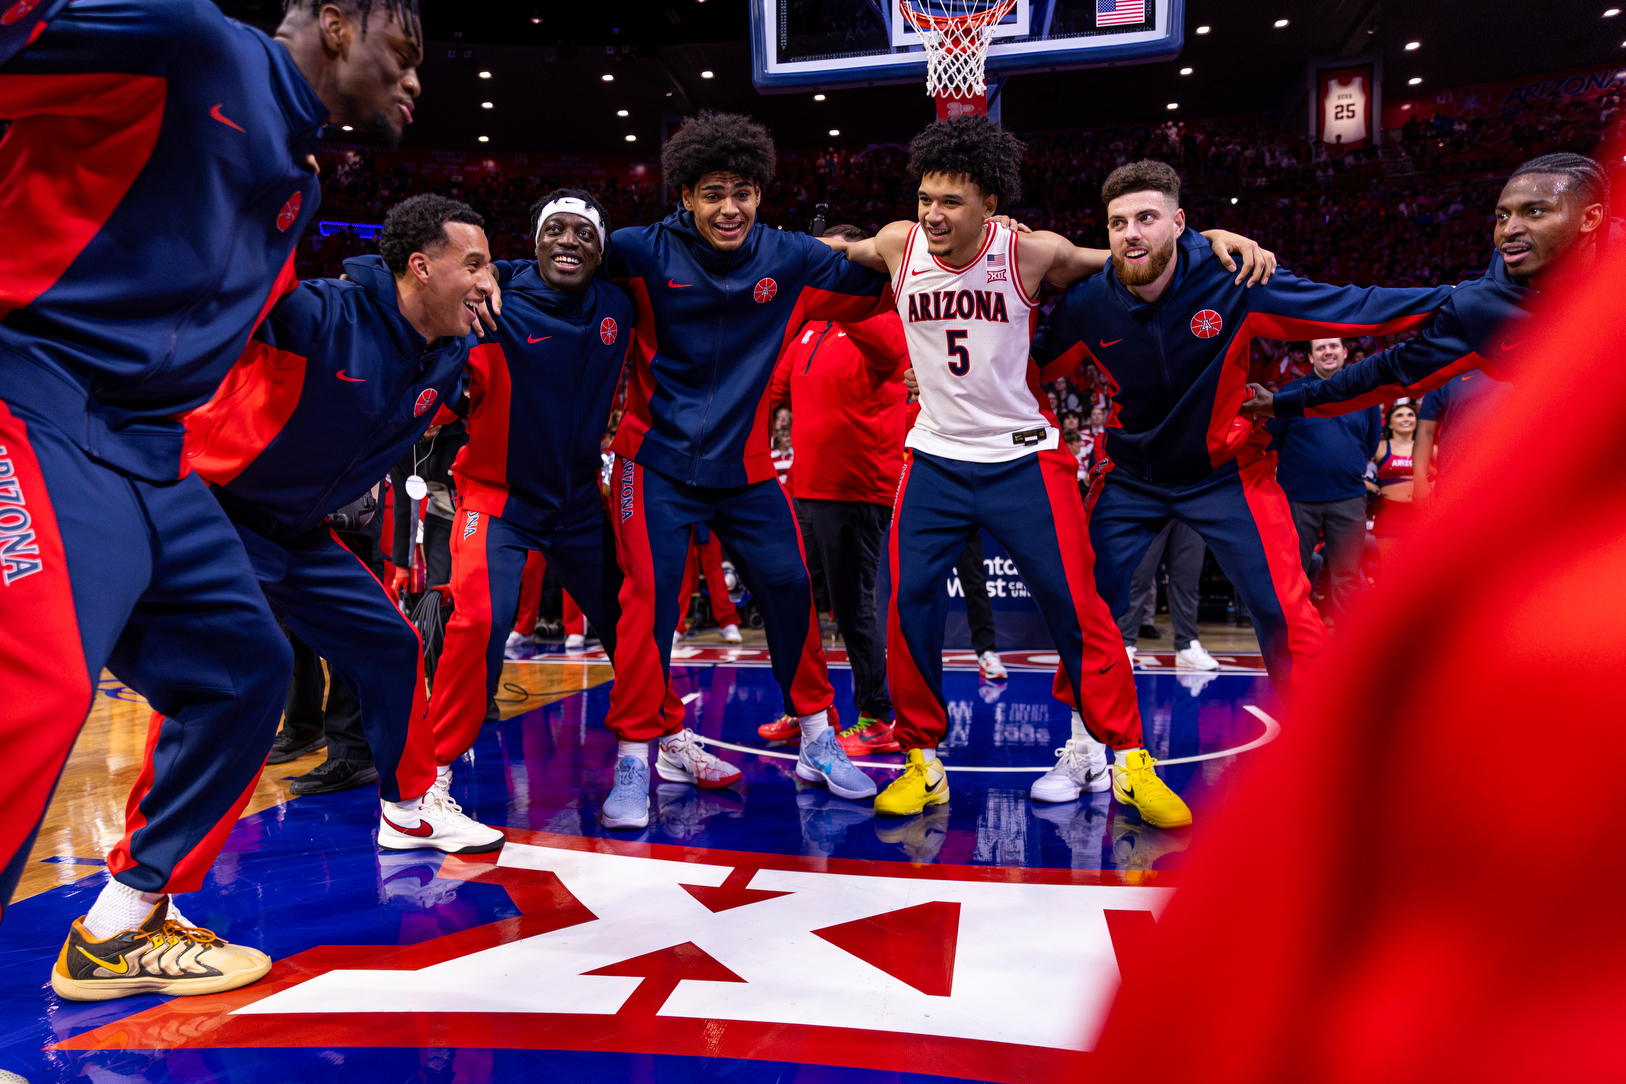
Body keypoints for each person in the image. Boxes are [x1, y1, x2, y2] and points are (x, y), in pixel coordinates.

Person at [0, 0, 422, 1001]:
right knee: (35, 686)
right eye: (402, 50)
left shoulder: (300, 175)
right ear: (332, 21)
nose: (415, 79)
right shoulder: (188, 44)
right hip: (31, 395)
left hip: (150, 448)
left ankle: (122, 927)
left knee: (244, 666)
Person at [826, 118, 1273, 825]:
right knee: (903, 606)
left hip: (1024, 456)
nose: (933, 215)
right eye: (925, 199)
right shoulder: (895, 244)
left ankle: (1127, 759)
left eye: (950, 202)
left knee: (1082, 611)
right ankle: (923, 760)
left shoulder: (1033, 253)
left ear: (991, 205)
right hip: (935, 455)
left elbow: (1135, 258)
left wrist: (1207, 241)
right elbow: (828, 252)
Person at [1030, 159, 1454, 703]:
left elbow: (1347, 307)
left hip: (1223, 473)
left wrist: (1452, 299)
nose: (1131, 233)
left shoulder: (1233, 277)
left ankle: (1314, 749)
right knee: (1086, 602)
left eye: (1146, 217)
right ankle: (1086, 744)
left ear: (1179, 222)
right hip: (1132, 476)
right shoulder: (1088, 303)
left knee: (1284, 607)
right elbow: (1033, 365)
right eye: (1118, 223)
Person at [599, 111, 903, 824]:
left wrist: (886, 240)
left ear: (760, 194)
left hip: (745, 469)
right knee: (648, 607)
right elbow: (562, 271)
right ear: (684, 197)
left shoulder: (791, 258)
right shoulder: (637, 253)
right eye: (712, 193)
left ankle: (818, 738)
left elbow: (891, 281)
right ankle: (636, 758)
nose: (728, 207)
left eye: (741, 191)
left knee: (792, 588)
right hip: (657, 463)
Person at [181, 192, 505, 857]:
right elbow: (232, 285)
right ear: (420, 266)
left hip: (298, 532)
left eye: (492, 267)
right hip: (212, 513)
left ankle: (410, 809)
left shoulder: (446, 355)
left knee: (389, 643)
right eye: (474, 264)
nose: (488, 280)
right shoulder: (320, 314)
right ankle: (152, 888)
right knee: (231, 681)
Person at [424, 189, 726, 826]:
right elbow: (401, 281)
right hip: (498, 498)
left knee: (631, 620)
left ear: (602, 250)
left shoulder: (617, 303)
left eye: (584, 234)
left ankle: (664, 733)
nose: (569, 242)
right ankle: (431, 777)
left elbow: (678, 241)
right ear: (534, 242)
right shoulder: (491, 303)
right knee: (480, 619)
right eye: (555, 231)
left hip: (578, 500)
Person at [1242, 153, 1609, 422]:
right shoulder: (1480, 309)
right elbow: (1388, 372)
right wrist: (1282, 403)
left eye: (1534, 212)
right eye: (1502, 215)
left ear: (1590, 218)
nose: (1509, 229)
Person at [764, 239, 911, 754]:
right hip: (803, 487)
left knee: (855, 610)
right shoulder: (810, 329)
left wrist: (846, 288)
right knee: (791, 603)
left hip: (856, 489)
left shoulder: (888, 321)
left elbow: (888, 352)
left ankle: (877, 714)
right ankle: (808, 707)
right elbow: (772, 388)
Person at [1266, 338, 1382, 624]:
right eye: (1320, 348)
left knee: (1348, 577)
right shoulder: (1289, 394)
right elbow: (1272, 442)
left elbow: (1370, 443)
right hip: (1298, 499)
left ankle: (1348, 650)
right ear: (1310, 356)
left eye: (1333, 347)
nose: (1327, 352)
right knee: (1296, 576)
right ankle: (1295, 641)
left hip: (1348, 498)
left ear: (1344, 352)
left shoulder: (1363, 393)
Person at [1118, 521, 1216, 669]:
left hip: (1190, 502)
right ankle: (1122, 646)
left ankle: (1187, 644)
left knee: (1187, 577)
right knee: (1138, 576)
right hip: (1150, 502)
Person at [1369, 401, 1419, 573]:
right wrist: (1374, 489)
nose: (1406, 419)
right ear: (1389, 423)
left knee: (1419, 572)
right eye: (1399, 415)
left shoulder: (1431, 449)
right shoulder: (1380, 448)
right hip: (1389, 515)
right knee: (1392, 573)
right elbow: (1357, 472)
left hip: (1421, 516)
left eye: (1410, 415)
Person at [674, 524, 743, 642]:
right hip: (680, 512)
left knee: (715, 567)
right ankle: (675, 625)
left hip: (707, 513)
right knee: (681, 567)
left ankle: (729, 622)